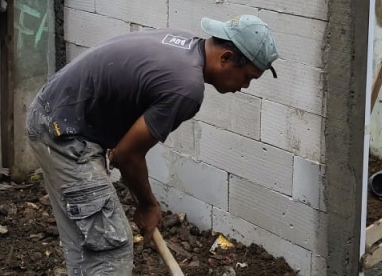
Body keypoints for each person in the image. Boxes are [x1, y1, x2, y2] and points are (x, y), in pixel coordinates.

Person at [25, 15, 280, 275]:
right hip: (65, 135)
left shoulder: (184, 43)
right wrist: (147, 205)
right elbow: (126, 155)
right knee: (111, 250)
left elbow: (124, 142)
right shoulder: (186, 88)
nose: (244, 87)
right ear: (225, 58)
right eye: (247, 77)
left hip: (52, 114)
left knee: (87, 247)